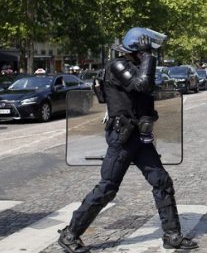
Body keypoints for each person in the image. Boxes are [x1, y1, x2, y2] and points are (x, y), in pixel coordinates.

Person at [58, 27, 198, 253]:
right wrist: (149, 58)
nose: (152, 52)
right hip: (122, 138)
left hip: (140, 138)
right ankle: (70, 233)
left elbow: (146, 92)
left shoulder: (136, 67)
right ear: (138, 47)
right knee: (107, 188)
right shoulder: (117, 66)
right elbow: (140, 85)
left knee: (162, 181)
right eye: (148, 48)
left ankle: (172, 235)